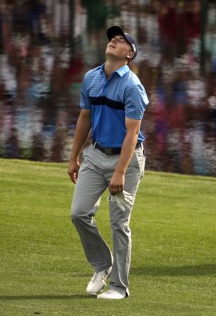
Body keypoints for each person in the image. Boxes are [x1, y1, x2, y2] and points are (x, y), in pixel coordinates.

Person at [68, 26, 148, 299]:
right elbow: (84, 119)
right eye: (113, 38)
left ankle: (118, 287)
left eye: (122, 41)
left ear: (130, 54)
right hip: (95, 153)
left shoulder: (132, 86)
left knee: (118, 223)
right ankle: (103, 265)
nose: (114, 41)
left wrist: (120, 173)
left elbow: (132, 133)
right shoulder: (91, 77)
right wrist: (74, 156)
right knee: (78, 213)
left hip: (126, 160)